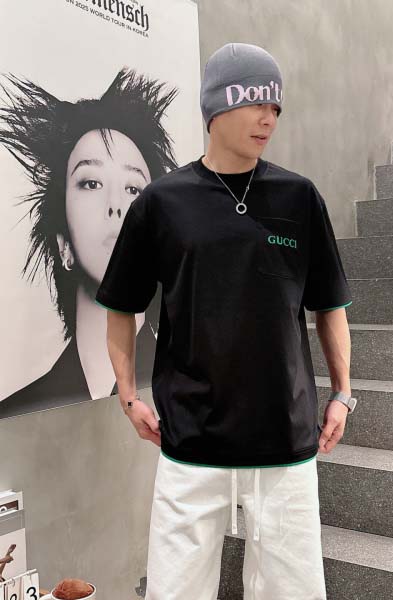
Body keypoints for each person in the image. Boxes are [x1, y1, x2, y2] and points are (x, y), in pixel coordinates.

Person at [95, 43, 357, 600]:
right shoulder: (162, 203)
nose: (269, 118)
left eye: (276, 107)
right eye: (256, 103)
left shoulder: (298, 197)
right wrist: (128, 396)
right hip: (191, 441)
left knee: (294, 593)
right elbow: (121, 305)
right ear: (217, 106)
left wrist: (343, 393)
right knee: (175, 592)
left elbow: (329, 305)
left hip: (284, 440)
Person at [0, 67, 178, 418]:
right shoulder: (20, 411)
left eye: (133, 189)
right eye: (91, 183)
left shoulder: (189, 385)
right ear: (63, 243)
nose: (116, 205)